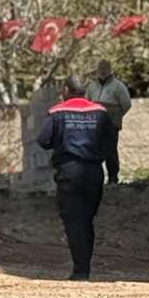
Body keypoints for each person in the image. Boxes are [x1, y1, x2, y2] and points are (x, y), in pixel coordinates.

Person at [37, 76, 114, 280]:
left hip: (69, 171)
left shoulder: (57, 112)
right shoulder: (100, 112)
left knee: (73, 220)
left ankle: (81, 270)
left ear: (66, 89)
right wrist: (113, 172)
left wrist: (60, 140)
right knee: (87, 219)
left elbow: (43, 140)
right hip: (94, 172)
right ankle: (84, 265)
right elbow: (110, 144)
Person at [85, 60, 132, 184]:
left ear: (110, 69)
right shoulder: (92, 86)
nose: (103, 71)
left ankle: (113, 178)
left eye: (105, 68)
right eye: (100, 68)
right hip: (95, 123)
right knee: (94, 150)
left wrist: (116, 116)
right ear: (97, 70)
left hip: (111, 124)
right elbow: (86, 102)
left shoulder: (118, 86)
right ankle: (95, 178)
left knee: (110, 151)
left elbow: (126, 104)